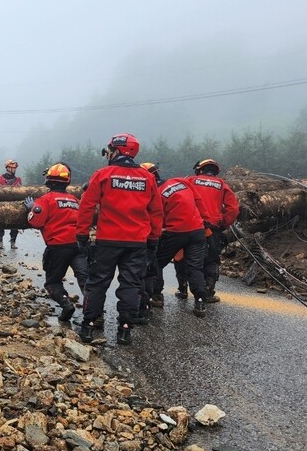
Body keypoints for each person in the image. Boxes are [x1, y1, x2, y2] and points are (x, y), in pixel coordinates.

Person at [76, 134, 162, 346]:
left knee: (97, 281)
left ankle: (88, 325)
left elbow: (87, 205)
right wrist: (153, 238)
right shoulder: (147, 177)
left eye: (110, 150)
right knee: (131, 283)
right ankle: (125, 329)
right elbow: (156, 211)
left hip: (108, 240)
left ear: (117, 150)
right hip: (137, 242)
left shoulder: (103, 174)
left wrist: (82, 234)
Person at [141, 162, 210, 317]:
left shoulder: (155, 193)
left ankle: (156, 295)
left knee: (156, 262)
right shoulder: (181, 182)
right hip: (197, 230)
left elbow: (157, 216)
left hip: (175, 232)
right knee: (195, 267)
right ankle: (200, 301)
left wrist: (153, 235)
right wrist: (205, 220)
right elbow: (198, 200)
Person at [25, 162, 88, 322]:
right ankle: (94, 313)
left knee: (53, 282)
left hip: (58, 247)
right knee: (85, 279)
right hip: (78, 245)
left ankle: (66, 304)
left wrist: (31, 208)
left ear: (48, 180)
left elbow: (36, 222)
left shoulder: (45, 199)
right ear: (67, 181)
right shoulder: (74, 199)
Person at [188, 159, 240, 303]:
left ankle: (184, 289)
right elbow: (233, 208)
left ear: (199, 170)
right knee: (211, 259)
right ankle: (208, 291)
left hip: (191, 226)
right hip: (213, 228)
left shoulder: (191, 181)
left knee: (191, 259)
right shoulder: (222, 184)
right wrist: (224, 224)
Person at [0, 159, 22, 249]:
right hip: (2, 205)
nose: (14, 170)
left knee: (15, 225)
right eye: (12, 168)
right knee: (0, 224)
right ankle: (0, 242)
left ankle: (13, 242)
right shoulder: (0, 178)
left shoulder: (18, 180)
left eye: (15, 168)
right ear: (8, 168)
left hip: (14, 205)